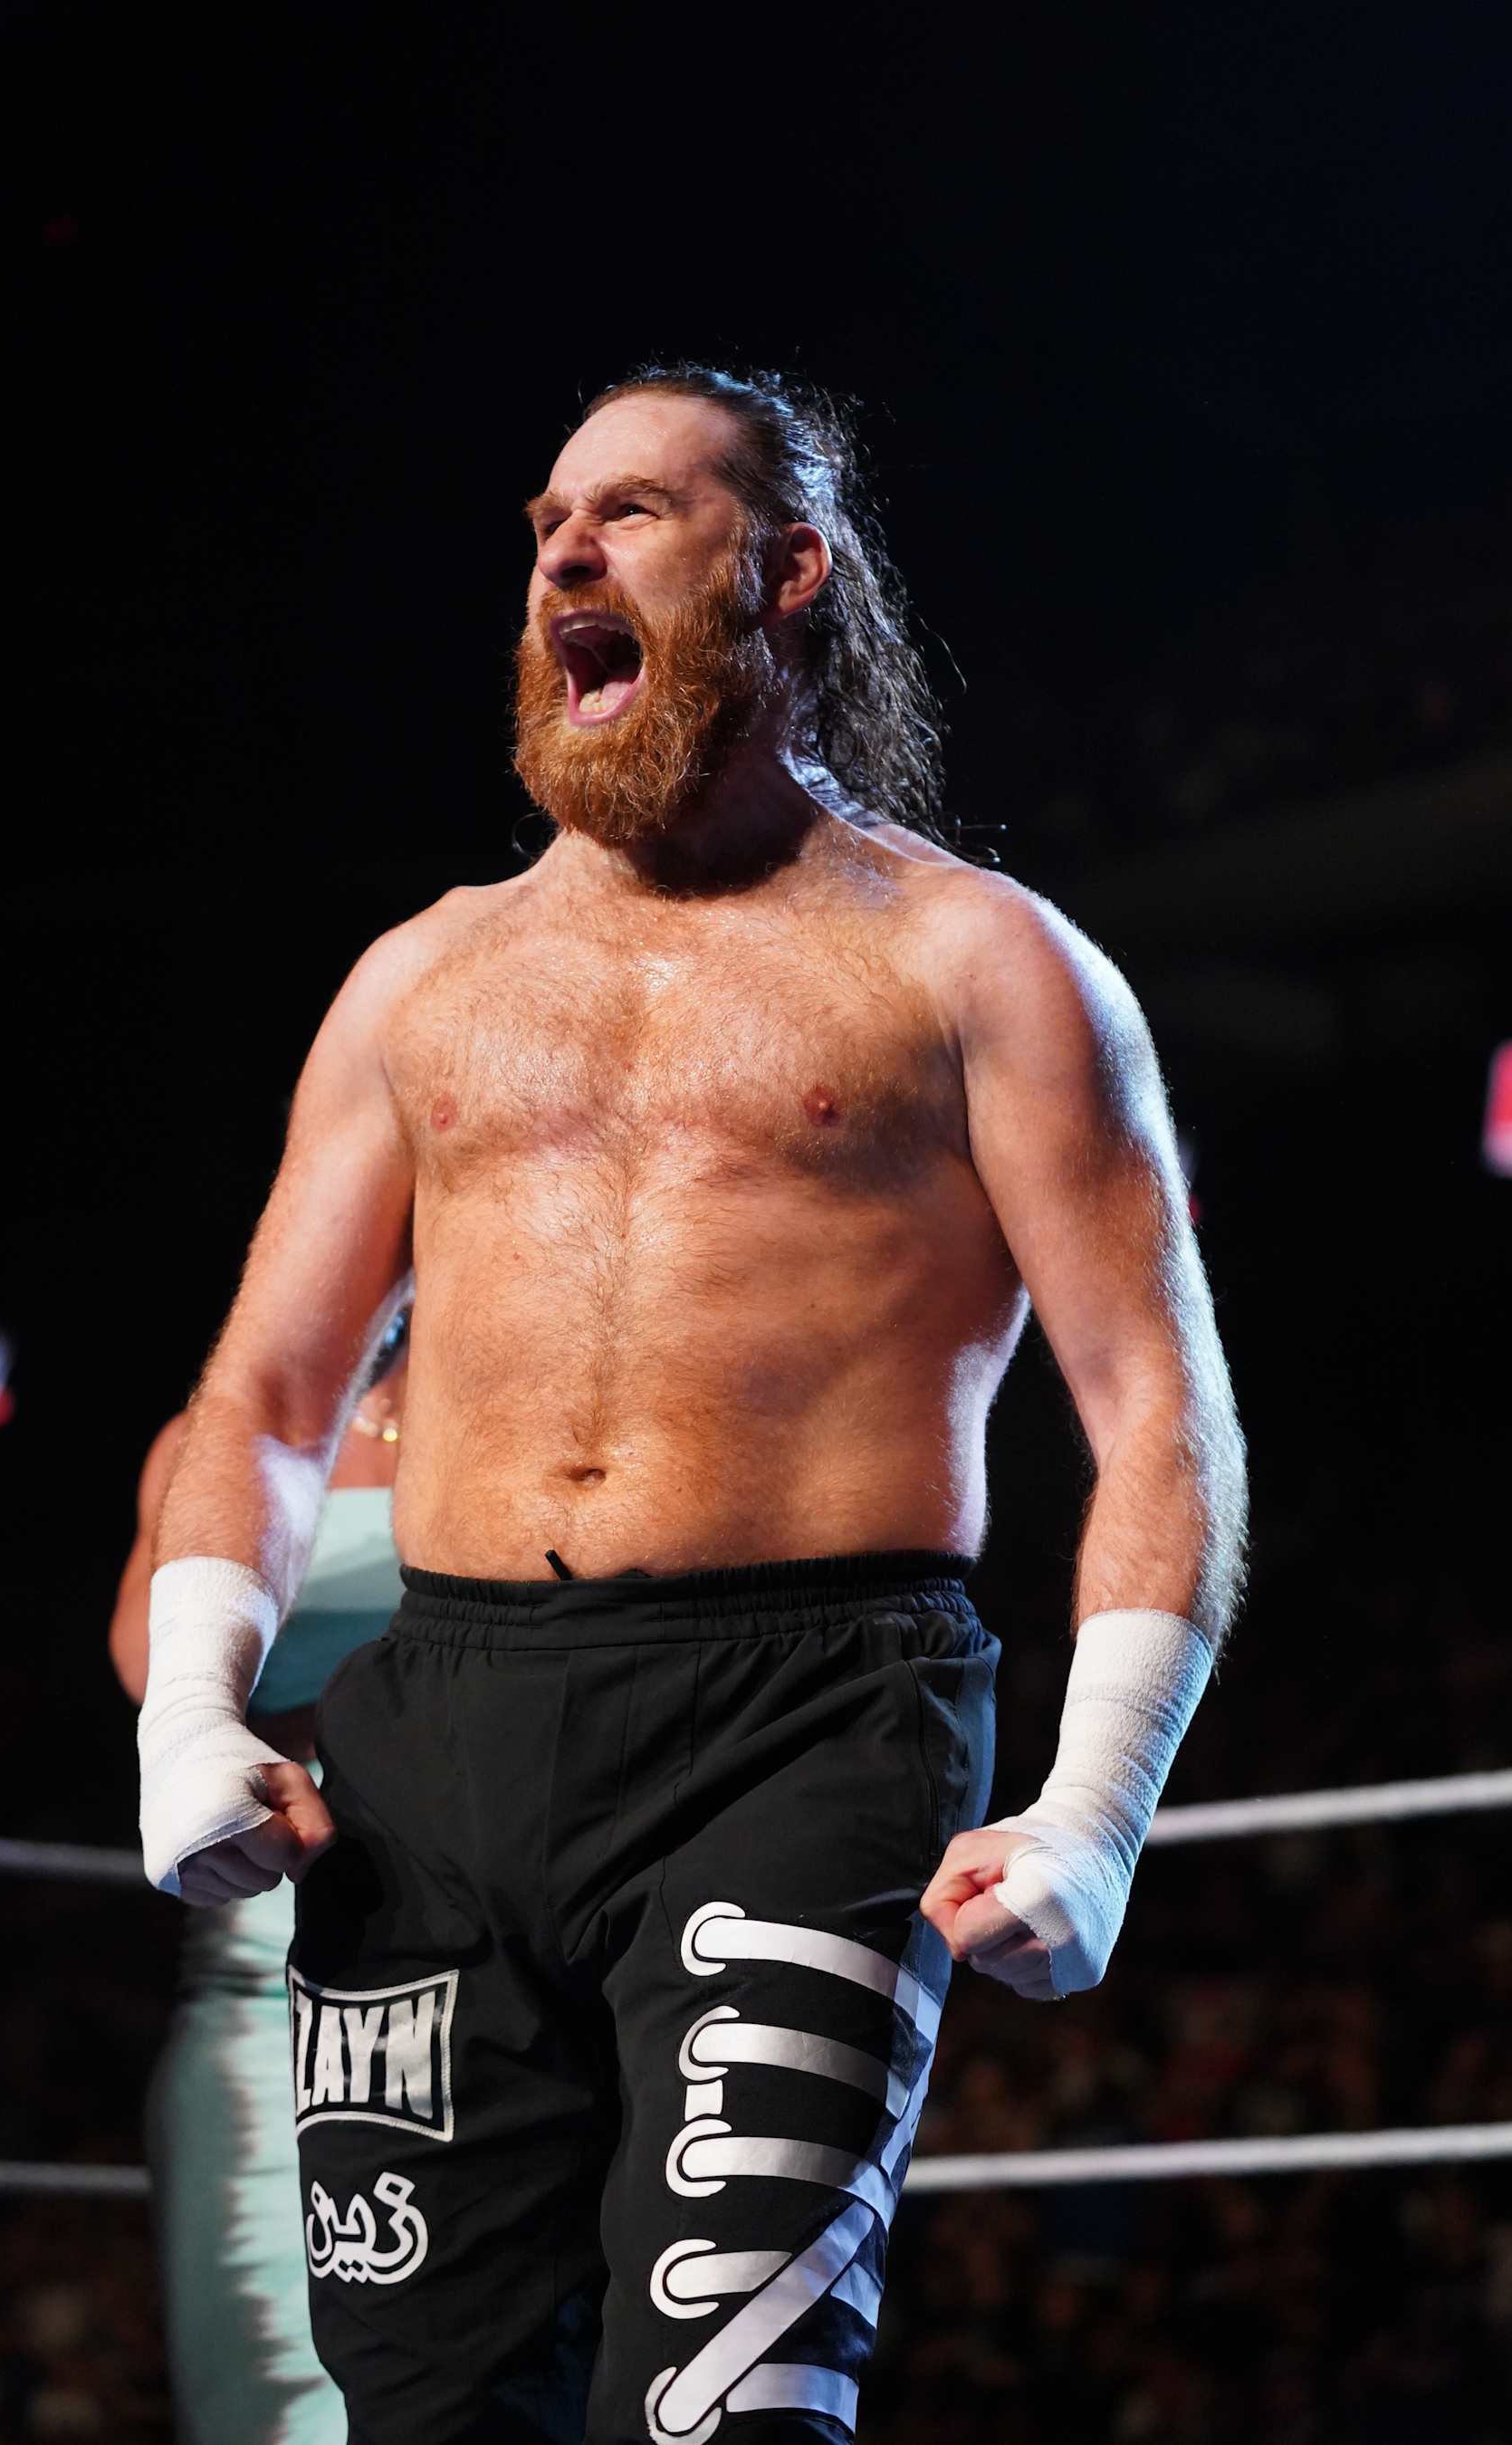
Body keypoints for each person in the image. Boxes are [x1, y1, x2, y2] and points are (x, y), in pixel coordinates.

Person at [134, 364, 1247, 2444]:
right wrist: (193, 1700)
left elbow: (1156, 1401)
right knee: (426, 2410)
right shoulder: (423, 976)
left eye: (635, 510)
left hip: (806, 1716)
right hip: (438, 1730)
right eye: (549, 516)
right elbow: (267, 1390)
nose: (565, 546)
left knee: (726, 2409)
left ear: (789, 569)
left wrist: (1095, 1803)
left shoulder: (978, 961)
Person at [111, 1309, 407, 2442]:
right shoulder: (212, 1442)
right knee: (270, 2385)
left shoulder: (543, 1433)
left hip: (508, 1921)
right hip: (261, 1970)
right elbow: (156, 1671)